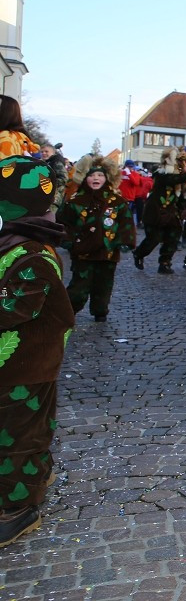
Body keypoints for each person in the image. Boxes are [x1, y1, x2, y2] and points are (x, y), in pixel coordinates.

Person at [0, 156, 75, 547]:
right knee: (17, 431)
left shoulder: (32, 255)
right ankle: (35, 476)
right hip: (15, 366)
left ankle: (20, 506)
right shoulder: (13, 243)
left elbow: (15, 308)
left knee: (20, 436)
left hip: (27, 367)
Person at [58, 155, 136, 322]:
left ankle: (100, 310)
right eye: (92, 175)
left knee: (104, 284)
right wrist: (67, 240)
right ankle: (68, 311)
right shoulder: (75, 201)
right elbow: (64, 223)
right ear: (85, 178)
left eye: (100, 175)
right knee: (79, 286)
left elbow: (126, 222)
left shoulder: (117, 201)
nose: (96, 178)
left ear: (107, 178)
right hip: (82, 251)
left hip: (108, 252)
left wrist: (125, 241)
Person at [133, 148, 186, 275]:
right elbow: (170, 179)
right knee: (153, 239)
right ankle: (139, 254)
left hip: (172, 213)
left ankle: (165, 263)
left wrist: (184, 210)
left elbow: (182, 197)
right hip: (155, 212)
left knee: (173, 238)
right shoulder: (160, 173)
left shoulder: (181, 179)